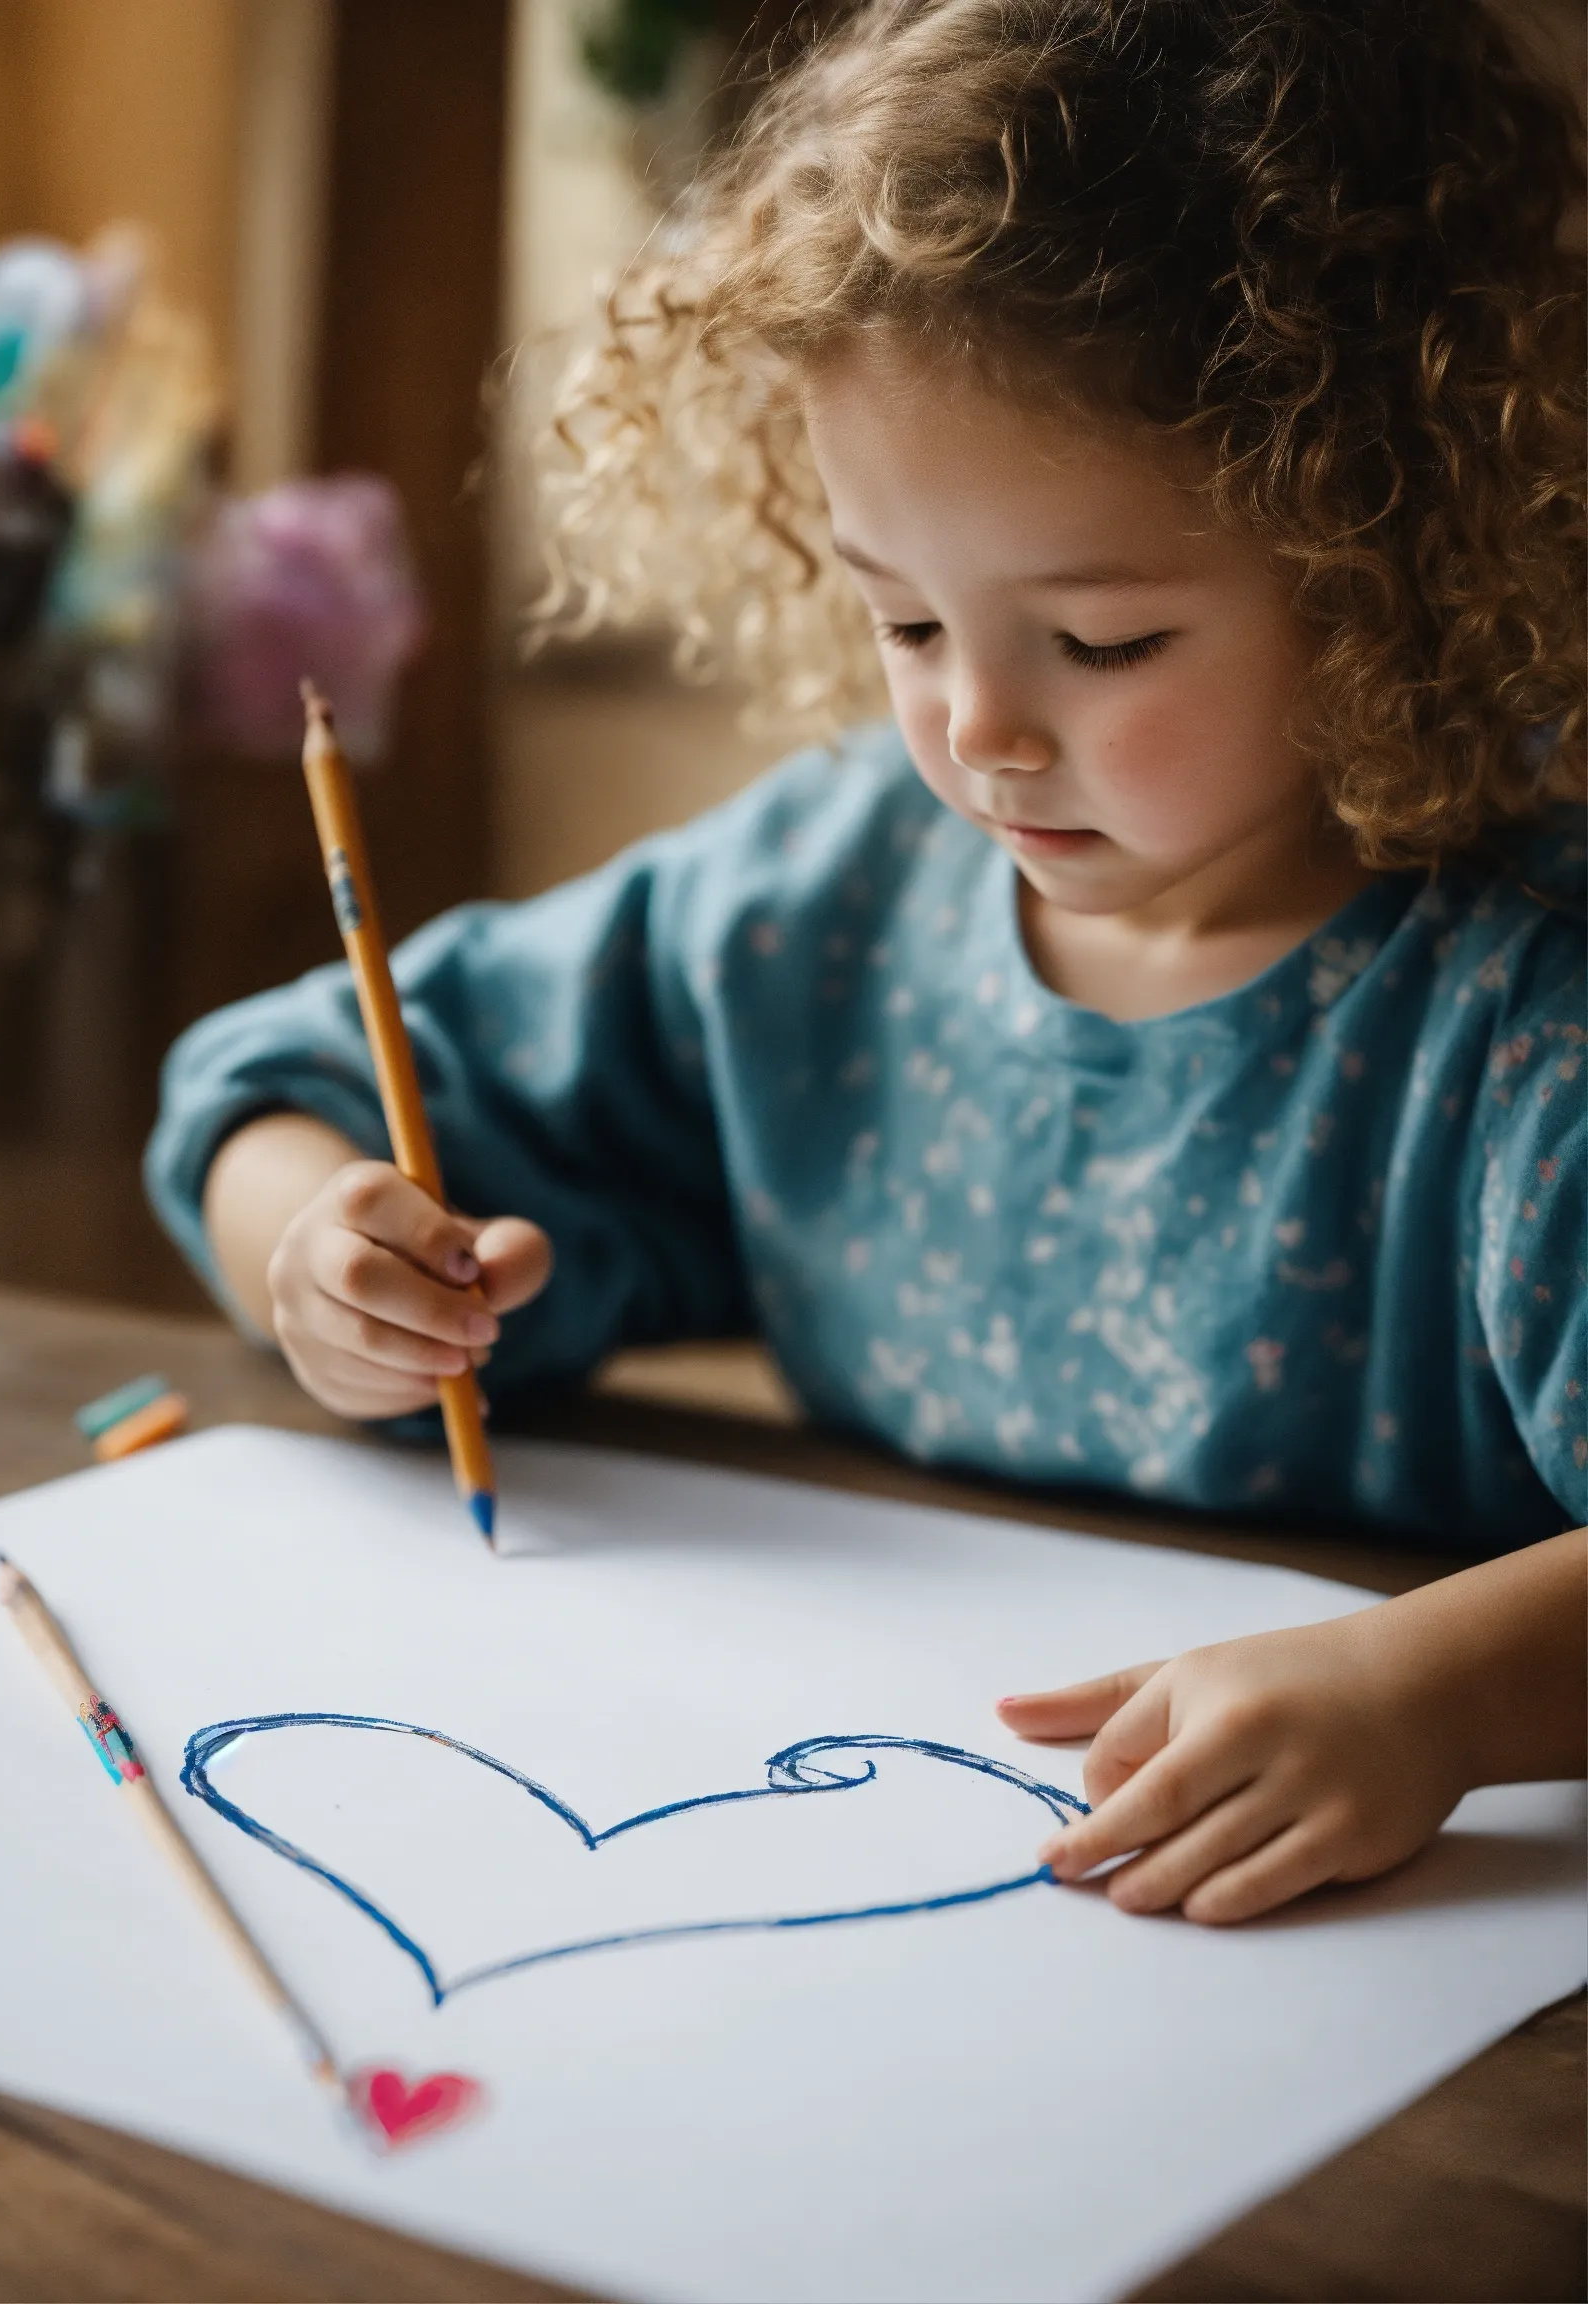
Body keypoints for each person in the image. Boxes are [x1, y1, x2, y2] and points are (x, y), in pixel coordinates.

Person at [147, 0, 1585, 1923]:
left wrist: (1437, 1694)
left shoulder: (1524, 1014)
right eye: (905, 621)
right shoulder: (818, 900)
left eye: (1103, 645)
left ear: (1387, 556)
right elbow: (286, 1086)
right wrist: (322, 1250)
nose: (978, 729)